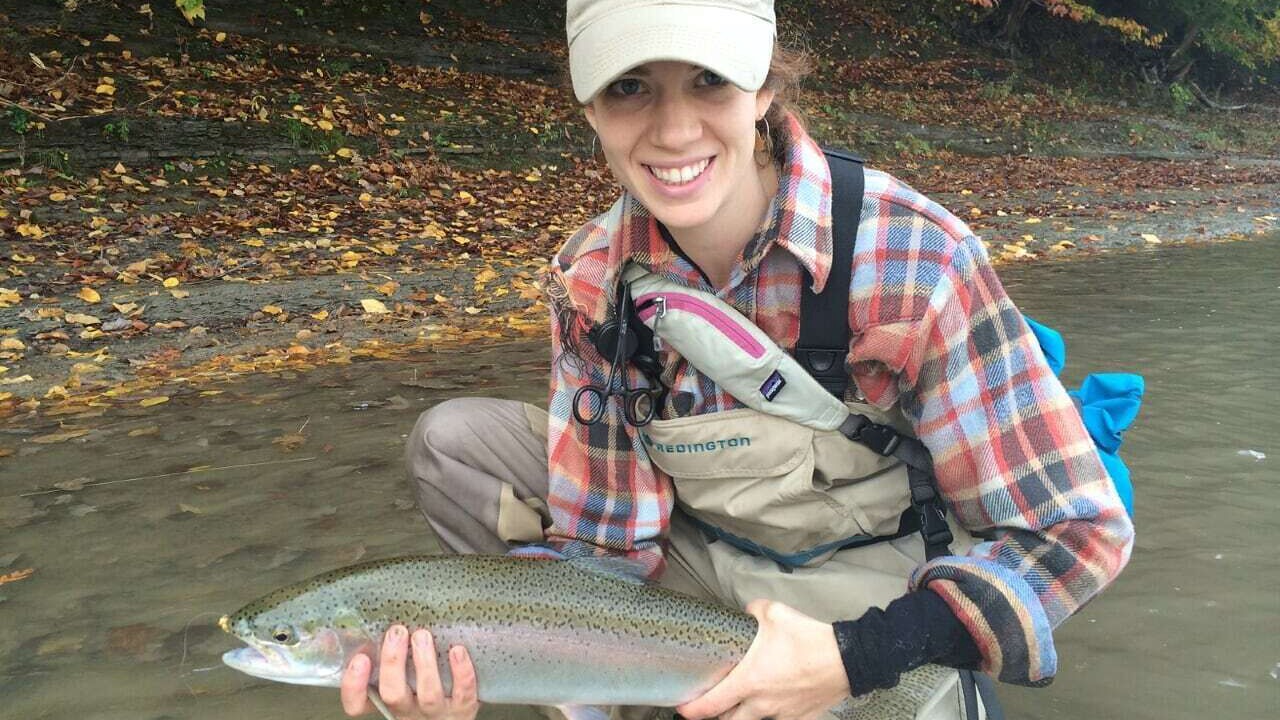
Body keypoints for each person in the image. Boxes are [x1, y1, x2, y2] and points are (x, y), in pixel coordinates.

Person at [340, 1, 1136, 719]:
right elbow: (604, 548)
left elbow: (1078, 534)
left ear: (764, 89)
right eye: (629, 88)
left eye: (709, 81)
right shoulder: (593, 275)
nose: (674, 130)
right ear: (589, 108)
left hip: (870, 591)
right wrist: (482, 657)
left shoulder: (914, 256)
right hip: (698, 563)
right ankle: (632, 694)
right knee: (455, 444)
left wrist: (854, 659)